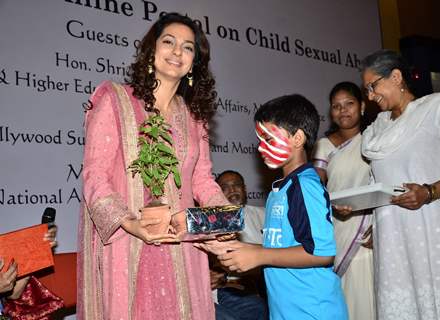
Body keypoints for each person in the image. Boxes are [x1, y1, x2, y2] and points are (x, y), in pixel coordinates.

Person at [78, 12, 228, 320]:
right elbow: (95, 176)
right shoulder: (114, 99)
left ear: (194, 63)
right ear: (151, 49)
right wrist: (132, 224)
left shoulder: (194, 118)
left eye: (188, 48)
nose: (177, 52)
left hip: (182, 248)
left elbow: (203, 183)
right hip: (128, 242)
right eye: (169, 42)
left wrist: (225, 220)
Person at [198, 95, 348, 320]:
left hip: (313, 311)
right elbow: (282, 249)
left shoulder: (304, 185)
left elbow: (321, 252)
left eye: (268, 139)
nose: (260, 148)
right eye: (260, 140)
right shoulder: (279, 190)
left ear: (297, 138)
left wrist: (258, 255)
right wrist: (240, 251)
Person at [360, 49, 440, 319]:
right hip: (393, 240)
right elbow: (379, 186)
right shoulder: (376, 131)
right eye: (366, 90)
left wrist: (428, 192)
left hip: (437, 234)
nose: (369, 96)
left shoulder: (437, 108)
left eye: (372, 86)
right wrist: (360, 210)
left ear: (395, 77)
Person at [312, 81, 375, 320]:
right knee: (345, 296)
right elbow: (316, 191)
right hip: (338, 226)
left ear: (361, 107)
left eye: (349, 104)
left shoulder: (375, 140)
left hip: (371, 229)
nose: (343, 110)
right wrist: (332, 207)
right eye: (336, 106)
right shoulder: (323, 145)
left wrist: (380, 226)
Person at [213, 170, 267, 320]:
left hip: (266, 283)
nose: (232, 190)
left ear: (245, 189)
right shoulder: (211, 221)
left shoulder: (264, 215)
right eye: (225, 187)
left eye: (236, 185)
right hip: (229, 288)